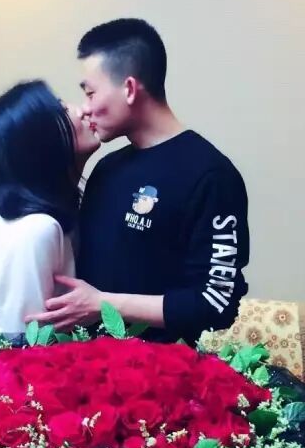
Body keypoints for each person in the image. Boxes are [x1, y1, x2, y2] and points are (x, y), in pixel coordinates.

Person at [26, 19, 249, 344]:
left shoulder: (211, 176)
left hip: (163, 368)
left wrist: (103, 305)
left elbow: (216, 303)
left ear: (129, 89)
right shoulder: (106, 169)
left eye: (90, 93)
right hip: (85, 362)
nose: (85, 108)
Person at [0, 80, 100, 342]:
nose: (83, 110)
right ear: (40, 142)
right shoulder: (33, 229)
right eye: (63, 110)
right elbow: (27, 349)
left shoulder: (46, 221)